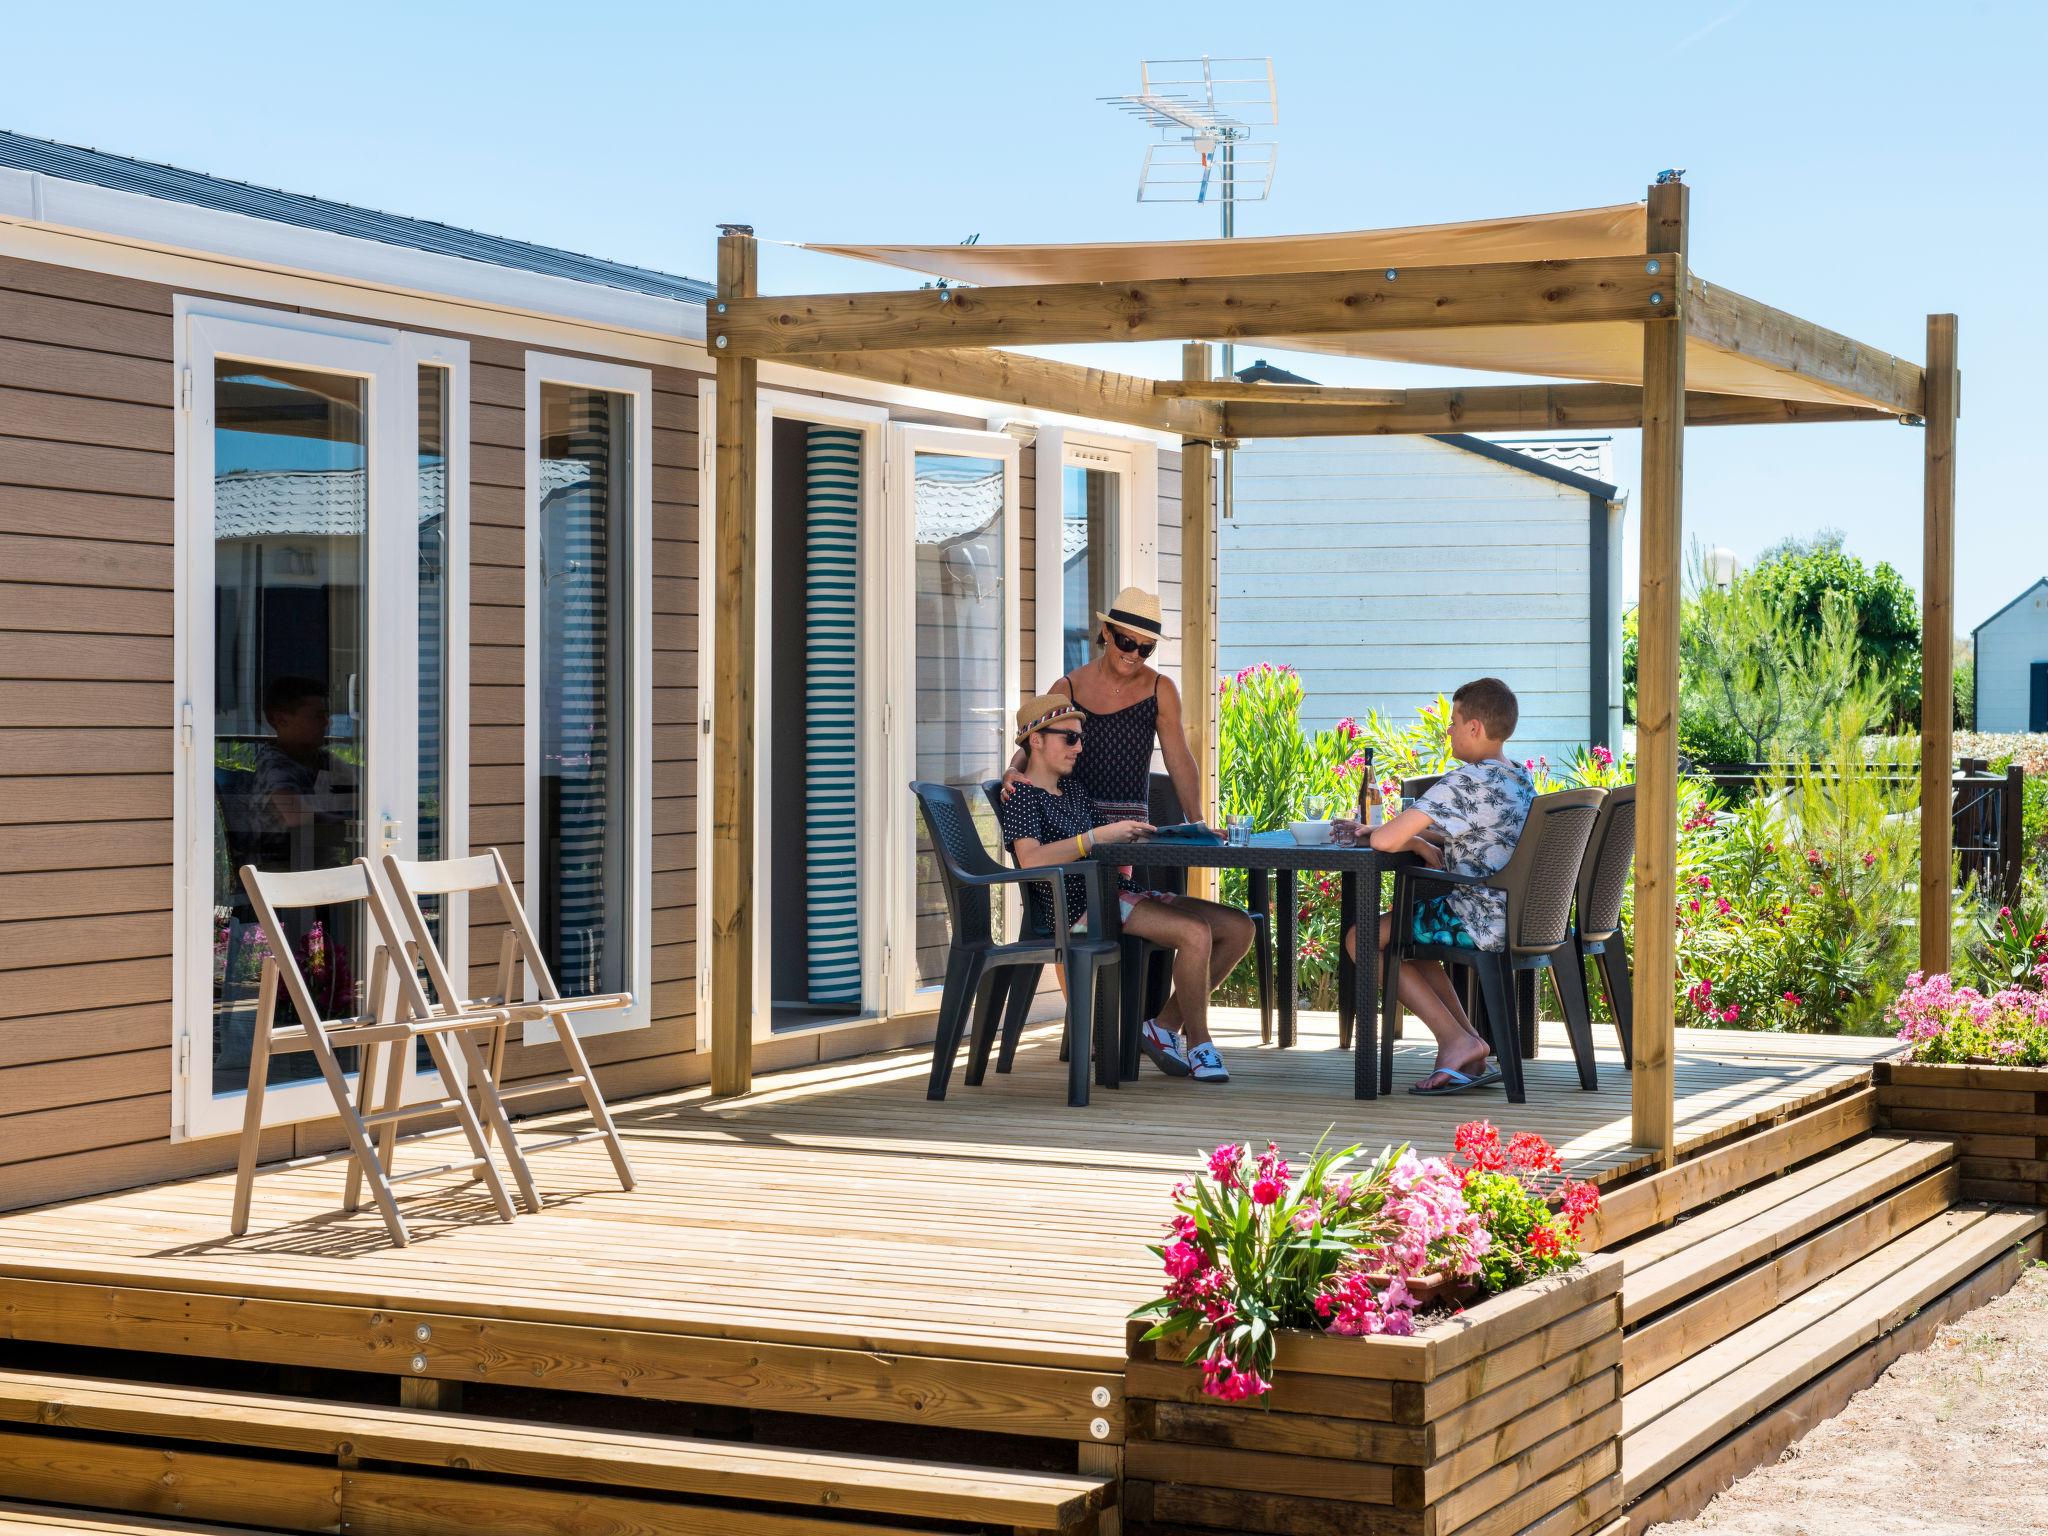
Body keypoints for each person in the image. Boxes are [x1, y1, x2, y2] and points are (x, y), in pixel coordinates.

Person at [998, 694, 1255, 1084]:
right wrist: (1093, 838)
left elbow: (1111, 844)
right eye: (1070, 739)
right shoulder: (1020, 797)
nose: (1079, 748)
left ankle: (1164, 1026)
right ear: (1036, 740)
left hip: (1114, 892)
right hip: (1080, 912)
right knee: (1194, 932)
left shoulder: (1075, 793)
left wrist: (1185, 834)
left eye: (1080, 739)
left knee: (1239, 927)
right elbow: (1031, 860)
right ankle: (1200, 1043)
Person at [1338, 677, 1535, 1095]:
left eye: (1453, 722)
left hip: (1480, 915)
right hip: (1519, 912)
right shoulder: (1517, 776)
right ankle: (1469, 1043)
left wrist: (1405, 837)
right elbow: (1481, 833)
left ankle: (1455, 1039)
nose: (1448, 731)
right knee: (1404, 935)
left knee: (1363, 938)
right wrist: (1422, 839)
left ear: (1474, 728)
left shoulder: (1466, 780)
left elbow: (1384, 841)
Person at [1001, 585, 1199, 829]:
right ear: (1106, 632)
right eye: (1127, 642)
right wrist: (1012, 770)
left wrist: (1199, 824)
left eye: (1146, 648)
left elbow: (1179, 760)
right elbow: (1035, 740)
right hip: (1073, 824)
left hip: (1131, 831)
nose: (1135, 654)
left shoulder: (1160, 689)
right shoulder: (1069, 687)